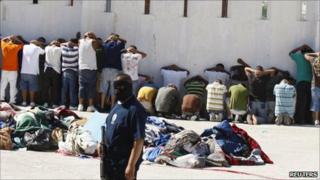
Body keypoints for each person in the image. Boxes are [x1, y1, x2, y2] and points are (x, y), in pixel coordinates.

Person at [102, 73, 146, 180]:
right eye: (116, 87)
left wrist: (131, 165)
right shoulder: (117, 105)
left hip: (123, 163)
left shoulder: (135, 110)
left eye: (121, 87)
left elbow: (139, 140)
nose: (117, 90)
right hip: (110, 161)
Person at [100, 33, 126, 111]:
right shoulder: (118, 45)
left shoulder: (106, 45)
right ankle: (112, 107)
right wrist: (118, 38)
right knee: (113, 89)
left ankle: (102, 106)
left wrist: (108, 39)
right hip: (115, 69)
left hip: (105, 69)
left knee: (104, 89)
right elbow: (124, 41)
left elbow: (103, 44)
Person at [289, 44, 314, 124]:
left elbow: (290, 53)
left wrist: (299, 47)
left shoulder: (299, 57)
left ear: (301, 51)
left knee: (301, 101)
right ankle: (308, 120)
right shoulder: (312, 57)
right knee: (309, 102)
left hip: (300, 82)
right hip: (310, 82)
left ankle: (299, 119)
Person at [78, 32, 100, 112]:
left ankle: (80, 105)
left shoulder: (80, 41)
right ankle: (90, 106)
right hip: (91, 68)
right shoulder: (93, 41)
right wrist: (94, 36)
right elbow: (98, 46)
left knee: (82, 87)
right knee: (91, 87)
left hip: (82, 67)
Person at [19, 40, 45, 106]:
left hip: (23, 71)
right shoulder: (37, 48)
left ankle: (24, 102)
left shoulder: (25, 46)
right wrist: (40, 44)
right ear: (36, 44)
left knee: (23, 87)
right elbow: (43, 52)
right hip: (32, 71)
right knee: (32, 87)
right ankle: (32, 102)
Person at [0, 35, 24, 104]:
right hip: (13, 70)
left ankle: (1, 98)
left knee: (3, 85)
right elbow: (22, 44)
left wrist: (8, 37)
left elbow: (2, 40)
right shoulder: (15, 47)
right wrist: (16, 39)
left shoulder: (3, 45)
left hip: (4, 69)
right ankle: (12, 100)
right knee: (13, 86)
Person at [60, 39, 79, 110]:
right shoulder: (76, 50)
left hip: (65, 71)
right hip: (73, 71)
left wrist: (67, 43)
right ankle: (73, 105)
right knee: (72, 89)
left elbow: (61, 44)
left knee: (64, 89)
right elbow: (79, 46)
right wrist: (74, 44)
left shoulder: (64, 50)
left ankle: (63, 104)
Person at [43, 40, 62, 108]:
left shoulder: (47, 48)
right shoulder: (60, 49)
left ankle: (46, 102)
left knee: (46, 87)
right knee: (55, 87)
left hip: (47, 69)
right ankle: (55, 103)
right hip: (56, 70)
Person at [304, 51, 320, 126]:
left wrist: (315, 54)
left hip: (315, 85)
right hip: (316, 86)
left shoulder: (313, 60)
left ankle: (316, 120)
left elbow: (305, 55)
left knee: (315, 103)